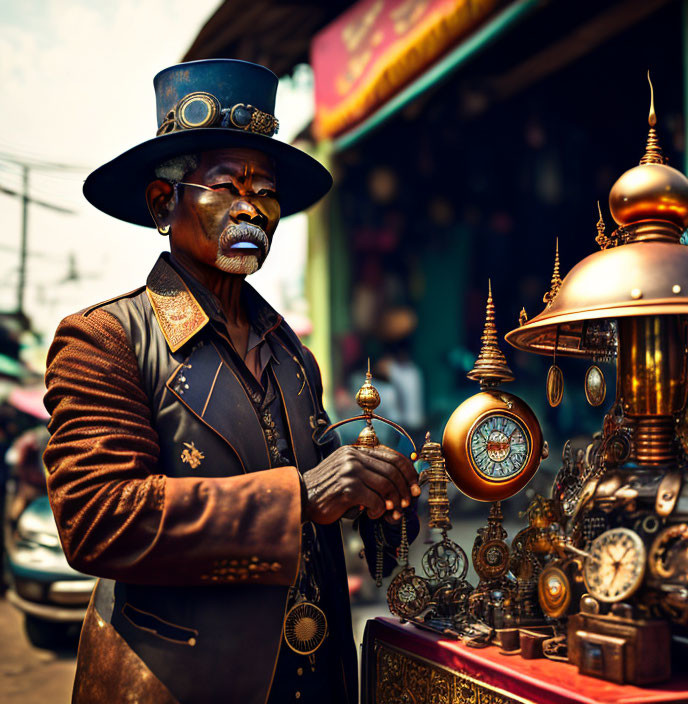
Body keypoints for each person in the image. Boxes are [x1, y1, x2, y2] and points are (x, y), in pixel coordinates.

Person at [43, 59, 419, 704]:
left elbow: (331, 500)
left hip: (317, 678)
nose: (252, 207)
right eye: (227, 186)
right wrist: (300, 497)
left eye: (266, 191)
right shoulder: (106, 337)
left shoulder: (292, 353)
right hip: (184, 683)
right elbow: (99, 518)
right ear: (165, 202)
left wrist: (379, 491)